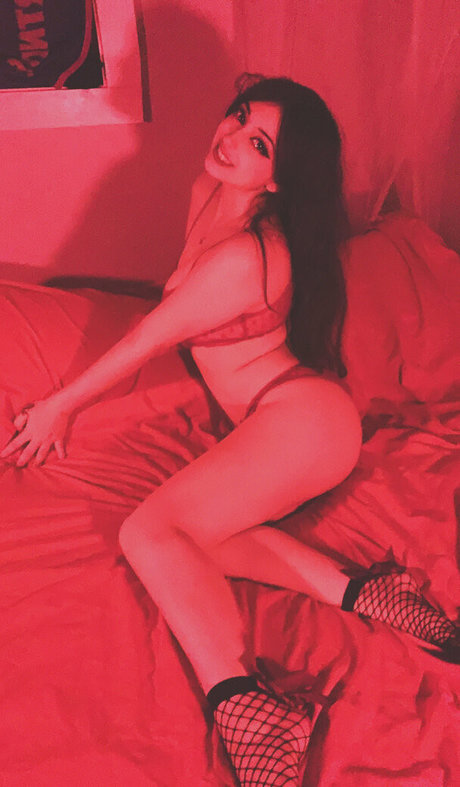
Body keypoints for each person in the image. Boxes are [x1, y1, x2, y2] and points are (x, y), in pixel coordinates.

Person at [2, 75, 458, 786]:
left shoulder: (245, 255)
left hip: (302, 419)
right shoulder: (208, 192)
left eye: (259, 143)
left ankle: (246, 703)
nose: (232, 139)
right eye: (240, 118)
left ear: (277, 178)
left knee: (147, 533)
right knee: (190, 539)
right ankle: (359, 592)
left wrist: (60, 406)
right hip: (281, 420)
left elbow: (149, 337)